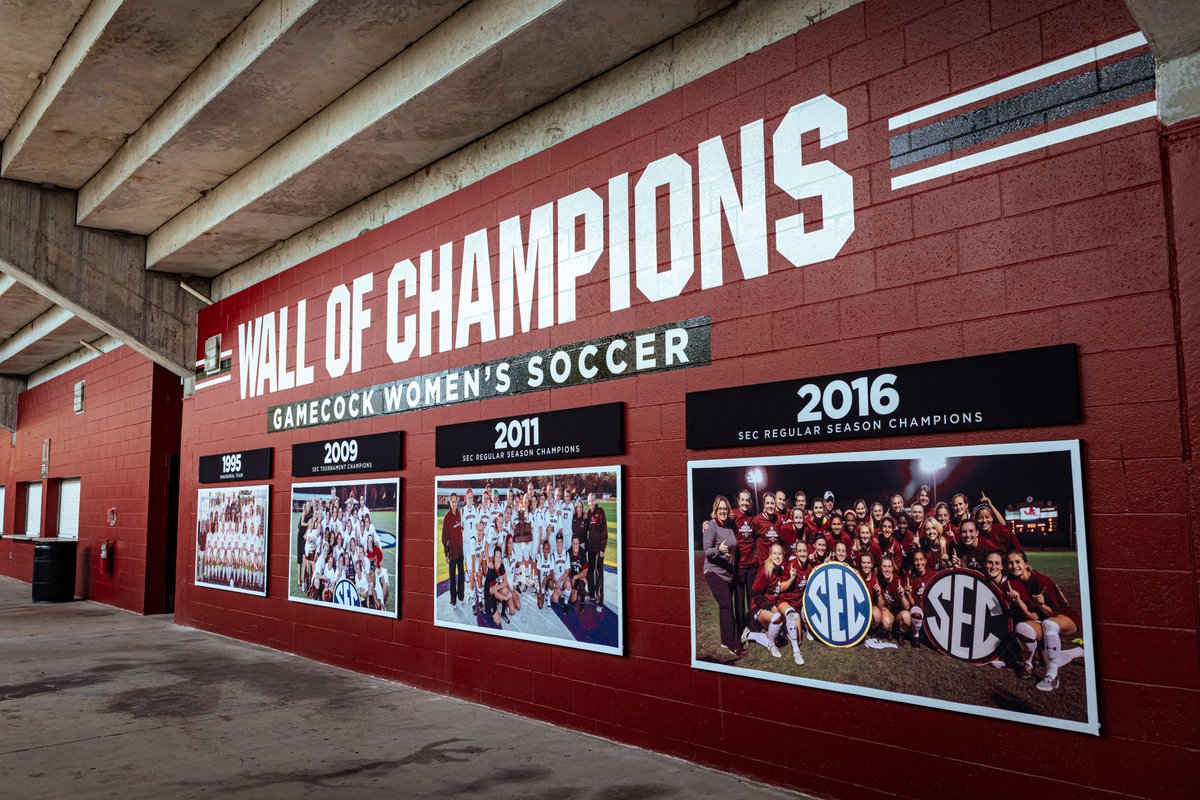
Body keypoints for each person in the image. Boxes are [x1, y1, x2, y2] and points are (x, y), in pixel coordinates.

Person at [1006, 550, 1084, 691]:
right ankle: (1079, 651)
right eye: (1010, 562)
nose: (1014, 566)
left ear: (1026, 564)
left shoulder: (1041, 580)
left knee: (1049, 624)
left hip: (1064, 617)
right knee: (1022, 629)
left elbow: (1054, 612)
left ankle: (1053, 677)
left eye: (1018, 562)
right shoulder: (1013, 583)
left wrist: (1042, 604)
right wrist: (1018, 602)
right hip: (1042, 622)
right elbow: (1034, 617)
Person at [745, 542, 804, 664]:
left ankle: (796, 651)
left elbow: (796, 556)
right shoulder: (764, 571)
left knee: (790, 617)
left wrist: (792, 578)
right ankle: (771, 646)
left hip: (771, 605)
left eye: (780, 554)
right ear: (770, 555)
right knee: (777, 619)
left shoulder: (780, 569)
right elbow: (754, 594)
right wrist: (769, 606)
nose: (777, 556)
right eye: (774, 553)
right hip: (757, 606)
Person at [702, 496, 743, 657]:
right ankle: (734, 644)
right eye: (720, 508)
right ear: (715, 510)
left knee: (724, 608)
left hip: (728, 574)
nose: (723, 511)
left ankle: (725, 640)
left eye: (725, 508)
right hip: (714, 572)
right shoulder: (712, 525)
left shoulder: (729, 525)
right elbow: (707, 551)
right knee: (727, 606)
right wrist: (719, 549)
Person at [877, 556, 912, 643]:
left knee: (907, 618)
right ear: (880, 568)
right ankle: (889, 630)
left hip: (899, 612)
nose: (887, 569)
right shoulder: (879, 580)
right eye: (884, 566)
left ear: (892, 568)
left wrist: (902, 596)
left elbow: (907, 607)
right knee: (886, 623)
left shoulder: (898, 581)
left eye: (889, 566)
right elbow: (879, 605)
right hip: (888, 611)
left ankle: (900, 632)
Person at [441, 492, 465, 607]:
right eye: (453, 502)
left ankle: (461, 596)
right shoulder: (447, 518)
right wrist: (446, 553)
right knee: (452, 578)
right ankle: (453, 600)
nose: (454, 504)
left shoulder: (460, 514)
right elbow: (444, 538)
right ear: (450, 502)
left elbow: (462, 529)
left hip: (460, 552)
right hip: (452, 553)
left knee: (461, 575)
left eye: (456, 502)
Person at [586, 492, 609, 609]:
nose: (591, 503)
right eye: (589, 501)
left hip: (599, 548)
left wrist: (603, 548)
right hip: (590, 548)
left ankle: (599, 599)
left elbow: (604, 531)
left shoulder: (600, 512)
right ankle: (591, 594)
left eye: (593, 500)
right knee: (590, 572)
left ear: (595, 500)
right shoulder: (588, 513)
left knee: (599, 573)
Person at [567, 537, 589, 613]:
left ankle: (582, 605)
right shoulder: (568, 553)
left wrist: (575, 577)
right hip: (572, 578)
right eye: (574, 543)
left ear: (579, 544)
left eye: (577, 543)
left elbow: (585, 572)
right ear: (571, 544)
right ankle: (576, 591)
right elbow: (567, 569)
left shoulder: (582, 553)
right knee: (572, 600)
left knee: (581, 584)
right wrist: (570, 579)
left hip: (580, 577)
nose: (575, 545)